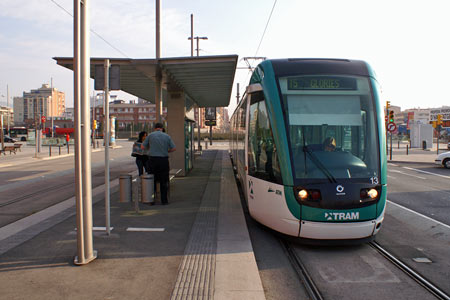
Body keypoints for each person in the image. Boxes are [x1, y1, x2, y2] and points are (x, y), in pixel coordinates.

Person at [142, 123, 176, 205]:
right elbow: (174, 148)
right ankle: (164, 200)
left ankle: (151, 200)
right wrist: (166, 151)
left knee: (152, 180)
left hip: (153, 160)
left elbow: (142, 147)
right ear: (162, 128)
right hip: (163, 160)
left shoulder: (150, 136)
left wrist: (150, 149)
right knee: (164, 180)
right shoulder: (167, 136)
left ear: (155, 128)